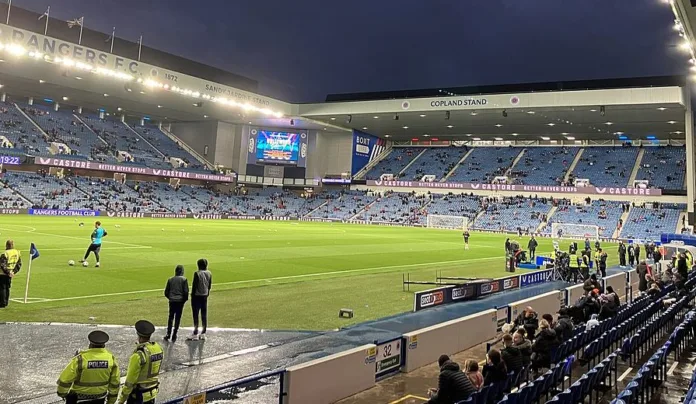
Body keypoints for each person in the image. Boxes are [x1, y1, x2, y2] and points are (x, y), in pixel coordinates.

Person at [57, 330, 120, 404]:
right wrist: (111, 400)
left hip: (78, 398)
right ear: (104, 345)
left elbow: (65, 380)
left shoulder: (80, 359)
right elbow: (115, 382)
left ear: (90, 344)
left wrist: (62, 394)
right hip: (100, 398)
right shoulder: (111, 359)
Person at [118, 320, 163, 404]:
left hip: (138, 397)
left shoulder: (138, 355)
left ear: (138, 336)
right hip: (152, 393)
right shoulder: (158, 349)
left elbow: (129, 382)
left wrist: (121, 400)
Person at [188, 258, 212, 341]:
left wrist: (192, 295)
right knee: (204, 314)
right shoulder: (209, 273)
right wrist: (207, 293)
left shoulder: (197, 273)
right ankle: (203, 333)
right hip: (205, 295)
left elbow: (195, 285)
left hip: (197, 296)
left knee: (195, 314)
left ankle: (195, 332)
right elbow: (209, 285)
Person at [164, 265, 189, 343]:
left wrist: (170, 298)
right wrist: (183, 300)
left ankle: (168, 333)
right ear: (182, 271)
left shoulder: (170, 280)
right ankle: (174, 334)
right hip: (180, 301)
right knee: (178, 318)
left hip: (172, 301)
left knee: (171, 317)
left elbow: (166, 292)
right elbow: (186, 292)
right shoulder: (184, 280)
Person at [0, 239, 22, 308]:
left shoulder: (5, 253)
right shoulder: (17, 252)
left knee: (2, 288)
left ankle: (2, 303)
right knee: (7, 287)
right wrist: (13, 272)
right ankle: (6, 302)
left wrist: (8, 272)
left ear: (6, 245)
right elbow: (19, 264)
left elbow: (2, 265)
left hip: (3, 273)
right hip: (11, 272)